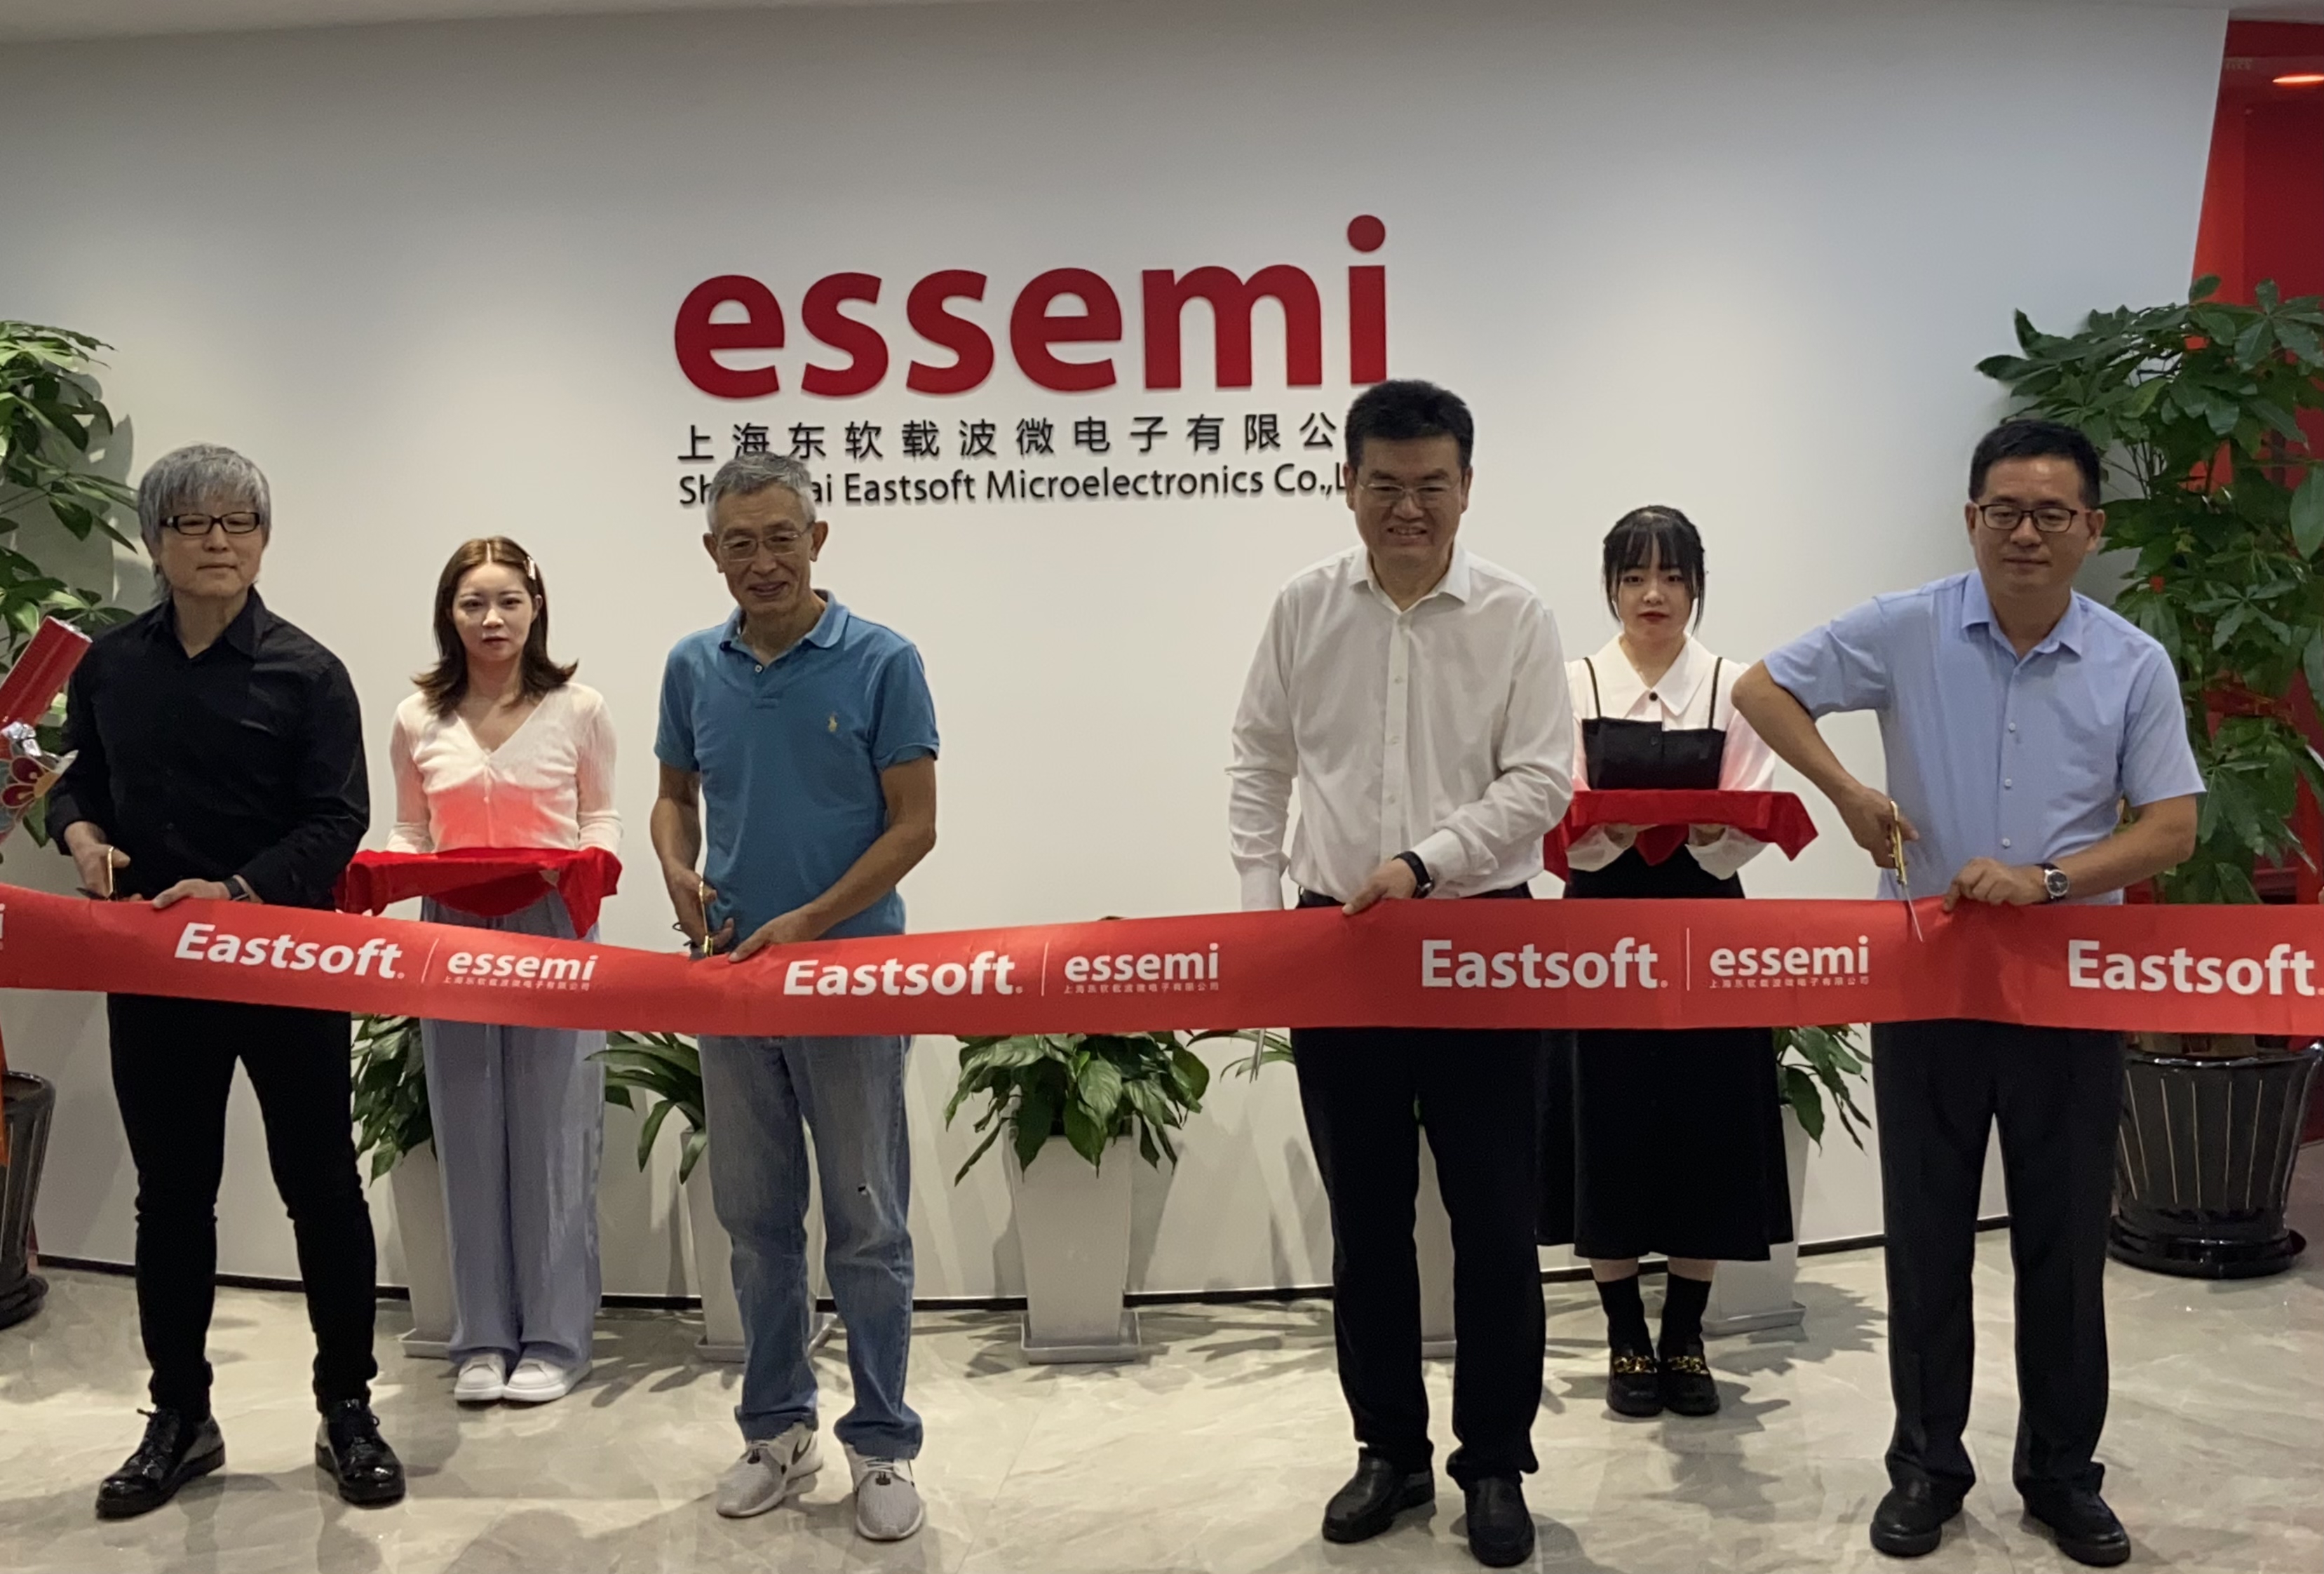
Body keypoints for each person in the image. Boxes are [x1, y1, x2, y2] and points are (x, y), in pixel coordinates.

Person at [1733, 419, 2201, 1568]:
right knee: (1926, 1235)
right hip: (1928, 977)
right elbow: (1760, 687)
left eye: (2049, 513)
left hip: (2064, 990)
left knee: (2061, 1242)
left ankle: (2060, 1475)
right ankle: (1924, 1468)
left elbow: (2169, 828)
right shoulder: (1906, 626)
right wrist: (1846, 792)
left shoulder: (2129, 661)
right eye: (2003, 511)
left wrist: (2050, 878)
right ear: (1969, 519)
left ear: (2088, 528)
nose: (2024, 533)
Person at [1229, 379, 1574, 1568]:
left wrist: (1426, 862)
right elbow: (1257, 759)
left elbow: (1541, 782)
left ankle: (1494, 1462)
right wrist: (1259, 922)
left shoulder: (1516, 615)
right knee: (1366, 1220)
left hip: (1480, 944)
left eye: (1431, 486)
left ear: (1466, 487)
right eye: (1384, 485)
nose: (1407, 508)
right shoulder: (1302, 606)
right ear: (1347, 485)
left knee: (1494, 1220)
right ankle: (1387, 1449)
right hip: (1336, 946)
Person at [50, 443, 405, 1516]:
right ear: (155, 540)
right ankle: (179, 1417)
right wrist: (79, 836)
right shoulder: (110, 666)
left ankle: (348, 1408)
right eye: (193, 522)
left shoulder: (309, 671)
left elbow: (338, 820)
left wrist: (240, 891)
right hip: (155, 971)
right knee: (172, 1197)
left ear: (262, 539)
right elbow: (75, 783)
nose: (218, 540)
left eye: (238, 521)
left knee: (322, 1187)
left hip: (286, 964)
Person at [653, 452, 938, 1542]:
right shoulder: (692, 666)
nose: (763, 560)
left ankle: (882, 1445)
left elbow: (914, 826)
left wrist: (812, 923)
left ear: (817, 541)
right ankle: (776, 1429)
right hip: (734, 985)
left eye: (781, 538)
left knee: (867, 1225)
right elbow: (673, 799)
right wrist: (675, 867)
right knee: (755, 1223)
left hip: (851, 984)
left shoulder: (882, 661)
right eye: (740, 542)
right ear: (712, 552)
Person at [1539, 506, 1791, 1420]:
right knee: (1603, 1117)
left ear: (1696, 587)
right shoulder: (1571, 684)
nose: (1654, 594)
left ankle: (1684, 1334)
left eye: (1673, 577)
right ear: (1610, 587)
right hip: (1598, 929)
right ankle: (1623, 1334)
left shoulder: (1731, 686)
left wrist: (1697, 831)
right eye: (1635, 576)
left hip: (1704, 924)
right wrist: (1614, 830)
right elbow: (1551, 800)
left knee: (1707, 1117)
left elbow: (1753, 806)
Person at [386, 537, 619, 1406]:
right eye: (473, 603)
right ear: (448, 614)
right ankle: (481, 1337)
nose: (492, 619)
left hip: (553, 923)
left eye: (508, 601)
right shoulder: (417, 717)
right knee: (468, 1125)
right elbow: (412, 829)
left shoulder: (579, 708)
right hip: (450, 928)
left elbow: (601, 815)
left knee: (556, 1128)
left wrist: (592, 869)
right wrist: (389, 874)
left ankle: (557, 1340)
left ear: (536, 608)